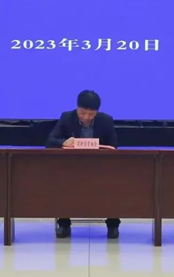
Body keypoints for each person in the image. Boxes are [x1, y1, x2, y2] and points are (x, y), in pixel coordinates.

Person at [46, 90, 120, 239]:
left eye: (91, 114)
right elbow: (50, 142)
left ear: (97, 112)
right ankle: (64, 224)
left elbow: (114, 146)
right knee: (62, 182)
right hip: (72, 167)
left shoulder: (106, 121)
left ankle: (113, 224)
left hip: (99, 168)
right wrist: (63, 142)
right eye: (82, 113)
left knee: (113, 183)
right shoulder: (67, 118)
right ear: (77, 108)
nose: (86, 117)